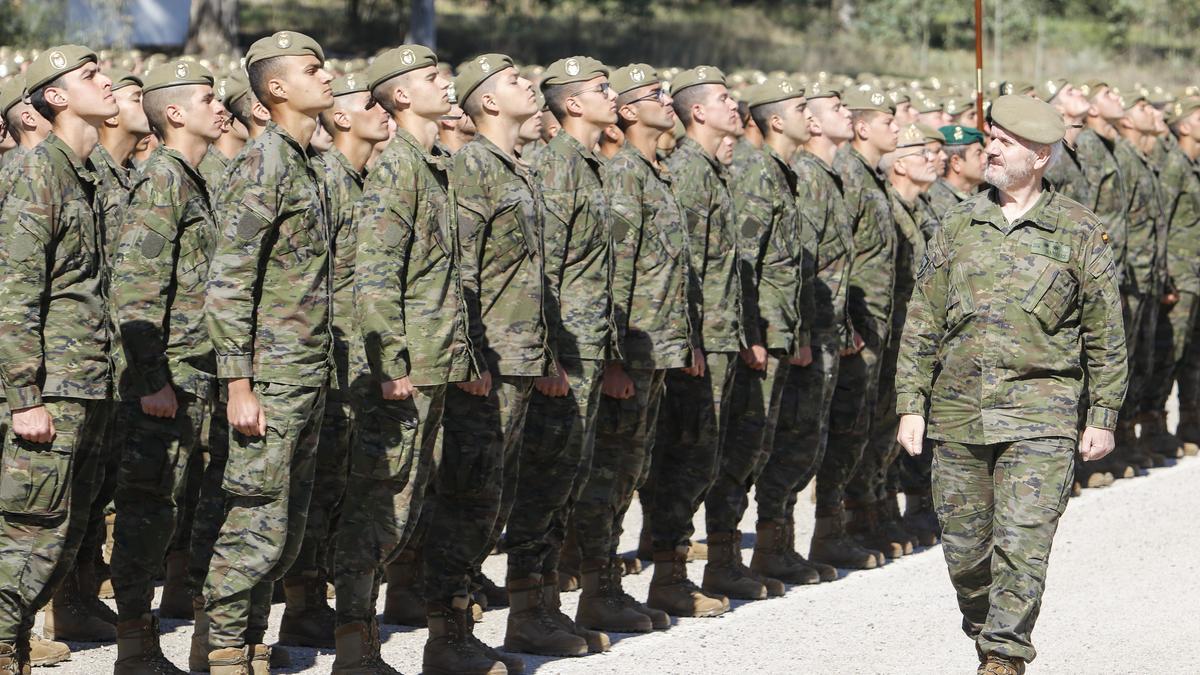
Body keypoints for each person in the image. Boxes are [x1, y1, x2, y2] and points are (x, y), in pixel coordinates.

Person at [896, 95, 1127, 675]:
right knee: (967, 555)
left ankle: (1003, 655)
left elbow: (1105, 330)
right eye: (991, 139)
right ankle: (986, 629)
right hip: (957, 413)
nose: (991, 149)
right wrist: (910, 405)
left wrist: (1102, 414)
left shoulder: (1079, 230)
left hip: (1041, 415)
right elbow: (922, 321)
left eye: (1006, 142)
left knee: (1023, 542)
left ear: (1041, 156)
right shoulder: (954, 224)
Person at [333, 45, 479, 673]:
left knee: (405, 508)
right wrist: (390, 363)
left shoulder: (434, 163)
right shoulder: (398, 169)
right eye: (430, 78)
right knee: (378, 511)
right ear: (398, 96)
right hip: (405, 370)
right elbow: (374, 275)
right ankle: (354, 648)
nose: (445, 85)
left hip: (434, 363)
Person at [202, 31, 334, 674]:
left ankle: (247, 639)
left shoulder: (305, 160)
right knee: (253, 521)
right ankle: (224, 646)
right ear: (276, 89)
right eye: (313, 70)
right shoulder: (264, 163)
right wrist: (237, 383)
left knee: (282, 528)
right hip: (271, 376)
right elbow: (229, 280)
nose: (328, 76)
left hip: (305, 371)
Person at [0, 44, 120, 673]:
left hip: (89, 381)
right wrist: (25, 396)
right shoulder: (35, 171)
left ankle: (11, 645)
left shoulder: (87, 173)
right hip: (50, 384)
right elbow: (14, 290)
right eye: (90, 77)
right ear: (54, 96)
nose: (106, 84)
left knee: (65, 534)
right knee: (30, 532)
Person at [433, 51, 554, 675]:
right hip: (486, 365)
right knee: (469, 499)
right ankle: (446, 634)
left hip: (519, 360)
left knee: (490, 499)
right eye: (512, 81)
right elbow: (461, 273)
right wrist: (469, 355)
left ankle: (459, 624)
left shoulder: (517, 167)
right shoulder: (473, 168)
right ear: (484, 101)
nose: (527, 84)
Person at [108, 59, 225, 674]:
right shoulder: (163, 180)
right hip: (167, 382)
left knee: (175, 509)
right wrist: (152, 380)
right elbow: (135, 288)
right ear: (175, 113)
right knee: (146, 511)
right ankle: (135, 645)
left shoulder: (190, 177)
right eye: (208, 98)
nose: (220, 106)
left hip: (192, 377)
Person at [502, 56, 619, 653]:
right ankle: (527, 610)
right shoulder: (553, 167)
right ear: (572, 103)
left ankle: (545, 603)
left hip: (587, 351)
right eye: (601, 89)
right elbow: (537, 271)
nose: (612, 95)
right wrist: (546, 354)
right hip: (562, 357)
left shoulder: (588, 164)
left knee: (565, 480)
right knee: (543, 483)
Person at [643, 65, 743, 619]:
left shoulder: (709, 170)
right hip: (695, 346)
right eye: (724, 99)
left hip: (715, 339)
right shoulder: (686, 171)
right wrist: (690, 338)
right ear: (697, 111)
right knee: (682, 459)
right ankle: (669, 575)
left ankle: (676, 572)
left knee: (700, 457)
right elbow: (677, 268)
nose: (736, 108)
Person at [712, 76, 814, 592]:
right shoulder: (755, 173)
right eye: (800, 107)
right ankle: (723, 559)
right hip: (761, 336)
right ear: (776, 120)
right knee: (741, 450)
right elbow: (745, 264)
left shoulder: (781, 171)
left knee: (760, 446)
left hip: (779, 331)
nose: (809, 115)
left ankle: (758, 552)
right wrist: (752, 332)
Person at [752, 81, 852, 584]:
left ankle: (780, 544)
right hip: (794, 334)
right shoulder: (803, 176)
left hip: (816, 331)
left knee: (806, 439)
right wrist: (801, 332)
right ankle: (769, 544)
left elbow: (823, 264)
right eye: (830, 108)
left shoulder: (809, 174)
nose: (840, 114)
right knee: (786, 440)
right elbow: (783, 266)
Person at [810, 89, 898, 570]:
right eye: (887, 119)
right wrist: (846, 326)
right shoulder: (845, 175)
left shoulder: (868, 177)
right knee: (843, 430)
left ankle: (852, 521)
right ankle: (832, 527)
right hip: (852, 328)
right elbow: (833, 263)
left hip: (872, 324)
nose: (898, 128)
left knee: (863, 426)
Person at [846, 124, 940, 556]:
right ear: (900, 164)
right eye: (923, 153)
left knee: (886, 426)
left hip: (901, 335)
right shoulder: (889, 204)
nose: (934, 159)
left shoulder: (915, 209)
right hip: (881, 332)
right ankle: (862, 515)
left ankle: (879, 511)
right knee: (868, 425)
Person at [927, 125, 985, 217]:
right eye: (978, 154)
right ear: (956, 163)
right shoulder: (940, 203)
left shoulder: (970, 197)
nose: (985, 159)